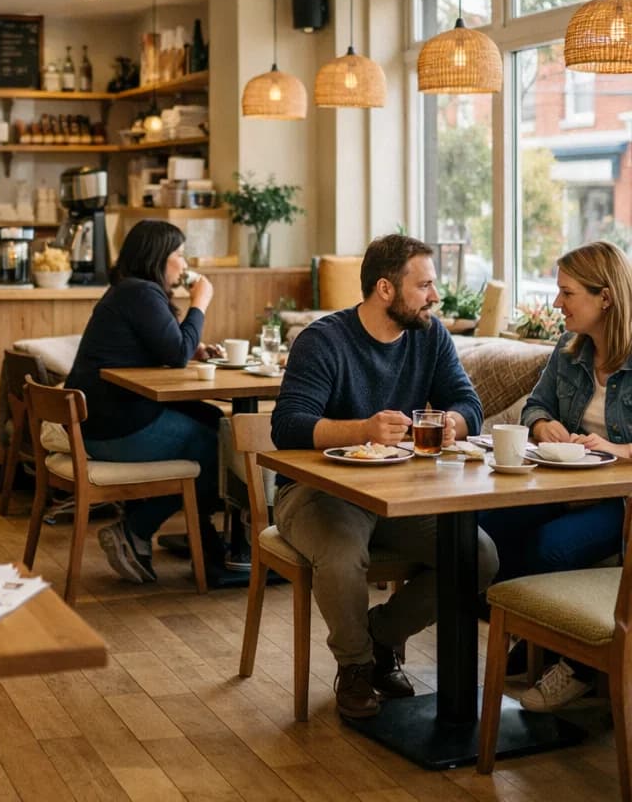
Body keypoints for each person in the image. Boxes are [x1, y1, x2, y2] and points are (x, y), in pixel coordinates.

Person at [271, 233, 499, 719]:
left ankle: (383, 635)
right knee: (341, 555)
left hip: (397, 494)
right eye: (425, 285)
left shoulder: (430, 336)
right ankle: (355, 666)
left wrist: (449, 423)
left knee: (478, 555)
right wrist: (363, 430)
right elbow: (287, 426)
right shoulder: (323, 341)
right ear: (385, 289)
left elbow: (469, 405)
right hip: (317, 492)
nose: (435, 296)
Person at [479, 240, 632, 713]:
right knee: (484, 527)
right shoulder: (568, 352)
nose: (556, 303)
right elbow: (536, 405)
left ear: (605, 297)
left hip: (620, 502)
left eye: (567, 293)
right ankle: (533, 638)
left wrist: (618, 449)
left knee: (550, 547)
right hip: (564, 486)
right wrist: (543, 425)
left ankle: (574, 663)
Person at [65, 219, 224, 584]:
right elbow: (177, 355)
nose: (184, 264)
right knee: (217, 446)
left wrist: (194, 349)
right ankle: (137, 529)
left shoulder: (130, 291)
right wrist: (199, 303)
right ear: (158, 257)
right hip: (113, 430)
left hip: (101, 422)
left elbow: (169, 348)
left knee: (213, 419)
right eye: (179, 255)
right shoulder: (140, 293)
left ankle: (199, 535)